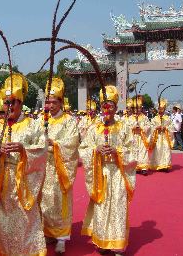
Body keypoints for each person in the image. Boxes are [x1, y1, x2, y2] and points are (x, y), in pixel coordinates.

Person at [0, 73, 48, 255]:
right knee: (3, 221)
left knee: (25, 220)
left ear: (21, 103)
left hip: (24, 183)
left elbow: (42, 150)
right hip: (2, 183)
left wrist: (23, 149)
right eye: (6, 102)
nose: (9, 106)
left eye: (13, 102)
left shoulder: (33, 126)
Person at [79, 85, 136, 256]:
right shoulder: (94, 128)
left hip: (118, 173)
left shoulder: (124, 127)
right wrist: (96, 150)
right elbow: (84, 148)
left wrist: (117, 152)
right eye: (104, 105)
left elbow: (133, 151)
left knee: (118, 206)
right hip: (100, 172)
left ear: (116, 107)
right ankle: (103, 241)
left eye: (110, 105)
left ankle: (118, 244)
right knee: (102, 207)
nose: (107, 109)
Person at [40, 78, 79, 253]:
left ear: (61, 102)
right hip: (43, 169)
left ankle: (62, 237)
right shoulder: (41, 121)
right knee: (45, 202)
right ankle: (48, 232)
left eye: (54, 102)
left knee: (59, 201)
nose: (50, 105)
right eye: (48, 101)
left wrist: (54, 144)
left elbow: (71, 143)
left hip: (60, 169)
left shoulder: (69, 121)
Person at [125, 96, 151, 175]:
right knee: (134, 151)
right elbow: (127, 127)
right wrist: (133, 128)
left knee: (143, 152)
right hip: (133, 137)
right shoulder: (130, 118)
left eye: (139, 108)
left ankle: (143, 167)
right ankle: (135, 166)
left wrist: (142, 128)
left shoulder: (145, 117)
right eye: (135, 108)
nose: (137, 110)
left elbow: (149, 126)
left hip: (142, 137)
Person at [150, 99, 174, 171]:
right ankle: (158, 164)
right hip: (158, 137)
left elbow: (171, 127)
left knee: (166, 149)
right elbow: (151, 127)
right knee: (158, 149)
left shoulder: (168, 118)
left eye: (162, 109)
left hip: (165, 136)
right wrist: (156, 128)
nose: (161, 110)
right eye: (159, 109)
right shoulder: (154, 119)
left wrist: (166, 128)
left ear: (164, 109)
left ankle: (166, 165)